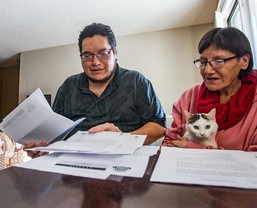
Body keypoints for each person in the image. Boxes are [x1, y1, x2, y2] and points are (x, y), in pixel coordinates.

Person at [25, 23, 166, 157]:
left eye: (103, 53)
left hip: (129, 161)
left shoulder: (136, 81)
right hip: (74, 165)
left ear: (115, 52)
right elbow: (55, 133)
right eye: (87, 55)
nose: (95, 62)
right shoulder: (68, 86)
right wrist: (42, 147)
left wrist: (124, 139)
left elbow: (159, 127)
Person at [162, 27, 257, 151]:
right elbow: (169, 143)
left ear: (244, 61)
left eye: (218, 61)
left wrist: (192, 146)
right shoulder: (189, 97)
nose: (208, 70)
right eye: (203, 62)